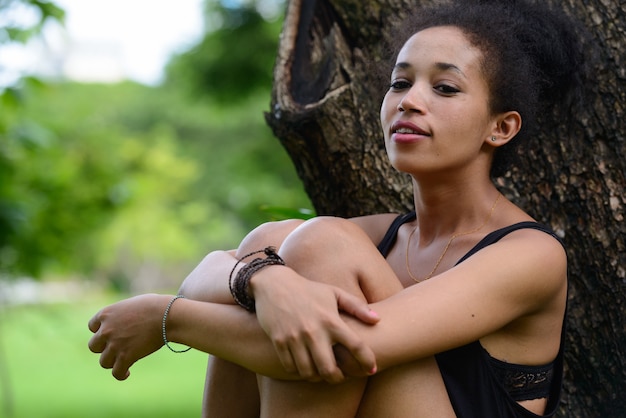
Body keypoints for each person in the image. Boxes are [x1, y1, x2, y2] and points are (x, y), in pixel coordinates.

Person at [87, 1, 589, 416]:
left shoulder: (531, 255)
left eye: (444, 87)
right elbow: (208, 271)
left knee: (320, 241)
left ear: (500, 128)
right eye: (400, 83)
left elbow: (343, 353)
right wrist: (265, 282)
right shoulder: (381, 236)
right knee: (274, 246)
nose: (409, 101)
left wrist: (167, 317)